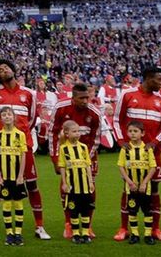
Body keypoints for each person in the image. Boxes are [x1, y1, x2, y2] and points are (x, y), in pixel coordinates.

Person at [0, 57, 50, 241]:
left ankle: (39, 226)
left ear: (13, 69)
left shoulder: (29, 94)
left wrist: (19, 137)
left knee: (31, 185)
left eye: (6, 67)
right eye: (0, 70)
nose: (4, 70)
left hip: (23, 148)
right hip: (2, 149)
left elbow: (31, 120)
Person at [112, 64, 161, 243]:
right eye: (158, 80)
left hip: (153, 153)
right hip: (131, 153)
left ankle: (155, 228)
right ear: (148, 78)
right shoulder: (127, 95)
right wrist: (121, 141)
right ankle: (124, 228)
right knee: (128, 189)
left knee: (154, 190)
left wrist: (154, 143)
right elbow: (116, 120)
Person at [51, 81, 106, 240]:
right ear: (73, 98)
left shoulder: (94, 112)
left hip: (87, 155)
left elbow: (96, 139)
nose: (85, 101)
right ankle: (69, 223)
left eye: (87, 98)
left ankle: (87, 225)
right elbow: (52, 134)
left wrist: (84, 159)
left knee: (89, 188)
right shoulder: (60, 108)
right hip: (67, 154)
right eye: (81, 98)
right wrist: (55, 158)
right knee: (68, 187)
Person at [0, 106, 30, 247]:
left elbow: (23, 155)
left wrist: (21, 175)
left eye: (9, 114)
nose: (7, 117)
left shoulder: (20, 135)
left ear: (14, 117)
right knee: (7, 203)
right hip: (5, 177)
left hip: (17, 177)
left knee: (18, 203)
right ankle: (9, 233)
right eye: (4, 115)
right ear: (0, 118)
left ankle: (18, 233)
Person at [118, 120, 158, 246]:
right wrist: (129, 182)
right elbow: (121, 167)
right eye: (130, 131)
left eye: (135, 131)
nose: (133, 134)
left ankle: (147, 234)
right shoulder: (126, 149)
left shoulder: (147, 149)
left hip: (145, 187)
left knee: (147, 211)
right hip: (131, 187)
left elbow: (153, 167)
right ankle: (134, 234)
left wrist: (145, 183)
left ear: (142, 133)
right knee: (132, 211)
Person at [57, 120, 95, 245]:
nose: (77, 134)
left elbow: (88, 166)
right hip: (72, 186)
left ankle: (85, 233)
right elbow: (62, 167)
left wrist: (90, 181)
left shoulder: (83, 147)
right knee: (73, 210)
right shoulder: (63, 148)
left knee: (85, 210)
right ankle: (76, 234)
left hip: (84, 185)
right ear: (67, 133)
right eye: (74, 131)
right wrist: (64, 183)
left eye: (79, 131)